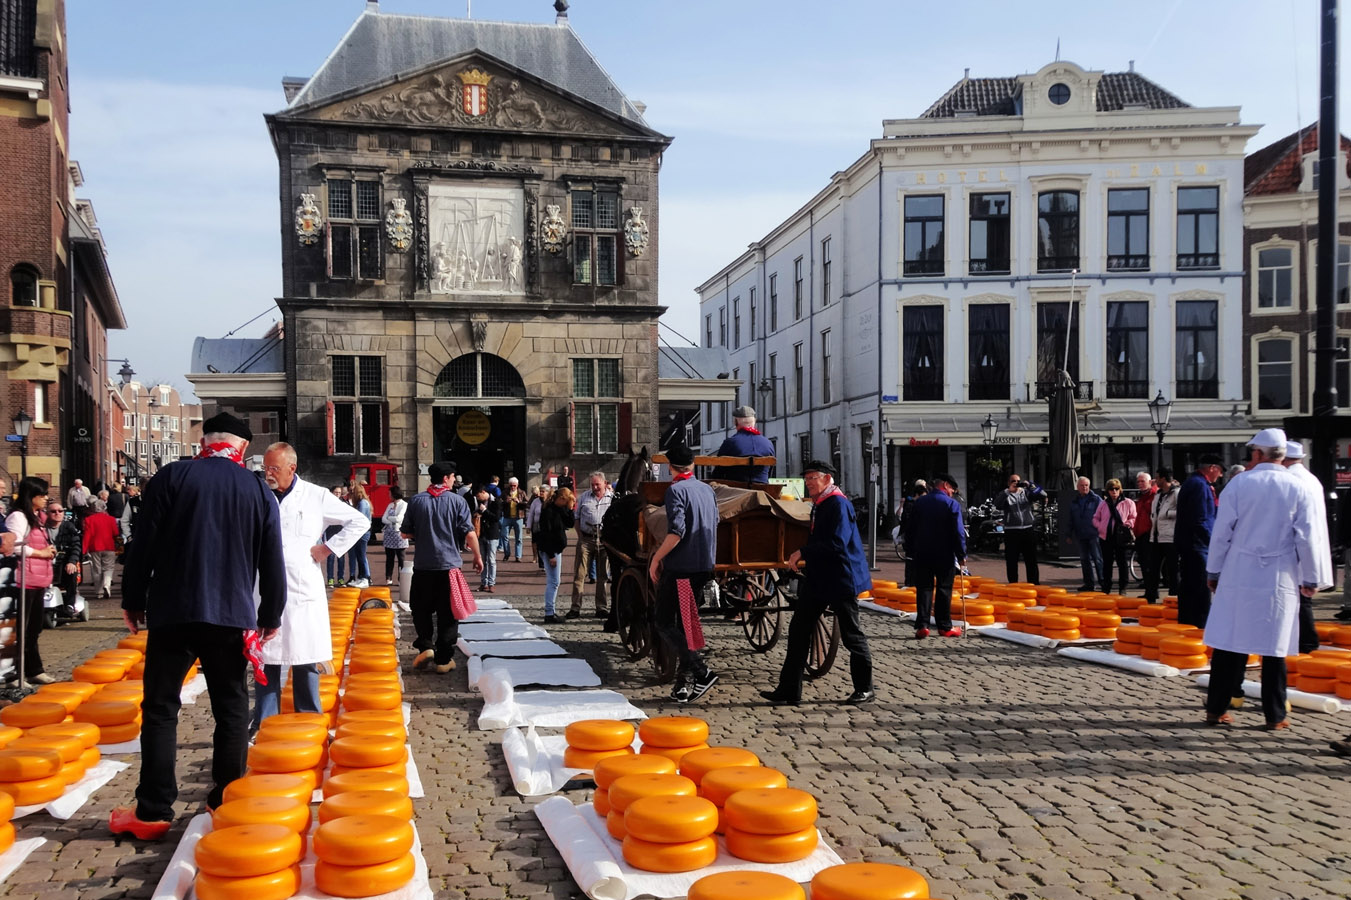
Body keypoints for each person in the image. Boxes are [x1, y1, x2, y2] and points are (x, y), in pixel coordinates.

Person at [110, 412, 286, 840]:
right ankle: (224, 799)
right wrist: (271, 615)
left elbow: (142, 545)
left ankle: (152, 810)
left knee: (160, 708)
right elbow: (271, 560)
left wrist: (133, 600)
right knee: (230, 709)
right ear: (242, 449)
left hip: (174, 610)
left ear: (204, 441)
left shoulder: (171, 477)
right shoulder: (257, 489)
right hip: (231, 615)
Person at [1203, 429, 1323, 730]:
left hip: (1238, 571)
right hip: (1278, 574)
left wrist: (1214, 570)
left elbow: (1222, 533)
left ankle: (1216, 708)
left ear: (1258, 454)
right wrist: (1311, 577)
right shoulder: (1298, 487)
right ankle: (1275, 714)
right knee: (1274, 647)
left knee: (1230, 643)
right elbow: (1307, 537)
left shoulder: (1240, 483)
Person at [253, 442, 369, 729]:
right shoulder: (256, 495)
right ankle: (264, 721)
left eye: (275, 469)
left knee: (304, 655)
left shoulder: (315, 496)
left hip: (302, 585)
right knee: (266, 657)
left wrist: (327, 549)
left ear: (292, 468)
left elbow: (359, 522)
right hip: (264, 584)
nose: (269, 474)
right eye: (266, 468)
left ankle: (309, 719)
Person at [761, 460, 874, 705]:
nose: (808, 483)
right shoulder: (820, 504)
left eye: (813, 478)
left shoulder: (838, 504)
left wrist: (803, 552)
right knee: (799, 629)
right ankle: (789, 689)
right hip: (820, 578)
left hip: (841, 578)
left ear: (827, 479)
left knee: (851, 634)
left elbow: (837, 543)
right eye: (807, 478)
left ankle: (865, 688)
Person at [646, 443, 718, 703]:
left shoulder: (676, 490)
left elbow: (677, 531)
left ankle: (701, 670)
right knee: (686, 624)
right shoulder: (707, 490)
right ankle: (683, 684)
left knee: (664, 621)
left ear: (670, 468)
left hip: (681, 569)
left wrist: (656, 558)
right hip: (703, 566)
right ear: (693, 465)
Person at [401, 463, 483, 673]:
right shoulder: (457, 501)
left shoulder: (416, 501)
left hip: (423, 566)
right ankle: (444, 659)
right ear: (446, 478)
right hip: (448, 566)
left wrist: (424, 531)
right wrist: (477, 556)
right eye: (454, 476)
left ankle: (426, 645)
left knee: (421, 609)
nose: (455, 480)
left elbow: (405, 533)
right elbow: (469, 532)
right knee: (448, 613)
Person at [1281, 441, 1333, 653]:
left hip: (1296, 544)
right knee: (1303, 596)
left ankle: (1307, 641)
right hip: (1311, 542)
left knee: (1300, 597)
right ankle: (1306, 640)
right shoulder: (1310, 478)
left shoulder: (1291, 479)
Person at [5, 476, 57, 684]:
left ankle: (34, 669)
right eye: (41, 495)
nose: (45, 499)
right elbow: (14, 545)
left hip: (38, 579)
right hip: (23, 579)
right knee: (21, 629)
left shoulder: (37, 517)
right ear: (31, 496)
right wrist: (40, 552)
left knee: (34, 628)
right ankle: (15, 673)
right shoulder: (18, 517)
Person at [904, 473, 967, 639]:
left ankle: (922, 625)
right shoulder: (951, 504)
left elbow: (910, 529)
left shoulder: (920, 502)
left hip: (922, 552)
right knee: (944, 589)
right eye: (952, 488)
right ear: (946, 485)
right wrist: (961, 554)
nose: (953, 492)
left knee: (924, 588)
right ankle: (944, 626)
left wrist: (910, 550)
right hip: (944, 553)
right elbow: (958, 532)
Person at [1174, 454, 1224, 627]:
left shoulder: (1194, 483)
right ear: (1211, 468)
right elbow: (1200, 519)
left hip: (1191, 543)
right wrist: (1214, 543)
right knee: (1200, 589)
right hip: (1197, 545)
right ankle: (1200, 625)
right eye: (1219, 470)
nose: (1220, 475)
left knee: (1189, 586)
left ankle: (1187, 623)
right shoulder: (1200, 486)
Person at [568, 471, 612, 619]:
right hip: (586, 539)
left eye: (597, 484)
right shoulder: (584, 497)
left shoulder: (611, 498)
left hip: (604, 541)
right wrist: (580, 537)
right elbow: (576, 518)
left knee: (602, 576)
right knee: (579, 575)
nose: (594, 487)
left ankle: (601, 607)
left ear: (604, 483)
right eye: (592, 484)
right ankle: (575, 607)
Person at [995, 473, 1045, 584]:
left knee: (1031, 560)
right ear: (1009, 483)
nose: (1016, 483)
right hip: (1012, 531)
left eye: (1018, 481)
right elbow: (997, 504)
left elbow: (1043, 494)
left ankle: (1034, 584)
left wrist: (1031, 486)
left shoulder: (1026, 493)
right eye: (1013, 481)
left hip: (1027, 529)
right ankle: (1013, 585)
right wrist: (1008, 491)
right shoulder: (1005, 494)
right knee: (1012, 561)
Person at [536, 487, 574, 623]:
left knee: (554, 581)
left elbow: (570, 523)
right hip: (550, 549)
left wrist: (570, 510)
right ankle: (549, 612)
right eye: (566, 502)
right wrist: (551, 554)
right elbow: (546, 533)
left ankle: (550, 611)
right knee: (553, 581)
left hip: (557, 548)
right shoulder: (548, 511)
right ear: (561, 499)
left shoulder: (560, 509)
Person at [712, 406, 775, 483]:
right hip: (763, 488)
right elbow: (770, 471)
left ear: (735, 422)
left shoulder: (730, 443)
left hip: (736, 490)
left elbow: (719, 472)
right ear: (754, 421)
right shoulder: (768, 443)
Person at [1144, 468, 1179, 602]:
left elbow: (1183, 512)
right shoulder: (1158, 495)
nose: (1155, 480)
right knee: (1152, 568)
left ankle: (1174, 595)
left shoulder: (1176, 493)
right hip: (1156, 535)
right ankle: (1151, 595)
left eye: (1157, 478)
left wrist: (1168, 514)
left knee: (1172, 569)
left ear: (1163, 479)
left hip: (1170, 536)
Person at [1068, 477, 1107, 593]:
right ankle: (1089, 584)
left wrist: (1100, 529)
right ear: (1077, 487)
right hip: (1081, 534)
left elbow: (1103, 516)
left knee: (1098, 559)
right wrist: (1068, 534)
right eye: (1082, 485)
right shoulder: (1074, 501)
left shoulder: (1096, 499)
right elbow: (1071, 519)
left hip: (1094, 534)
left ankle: (1103, 582)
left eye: (1086, 485)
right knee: (1084, 560)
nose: (1084, 487)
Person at [45, 499, 83, 615]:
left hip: (64, 560)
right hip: (47, 560)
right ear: (47, 514)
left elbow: (76, 545)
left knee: (71, 573)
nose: (57, 513)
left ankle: (70, 603)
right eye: (53, 511)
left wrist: (72, 561)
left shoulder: (69, 527)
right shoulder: (43, 528)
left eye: (60, 511)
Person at [1099, 478, 1137, 594]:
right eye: (1111, 489)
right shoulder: (1104, 503)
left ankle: (1123, 587)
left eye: (1116, 489)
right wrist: (1100, 526)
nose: (1114, 491)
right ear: (1108, 491)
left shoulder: (1128, 502)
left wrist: (1127, 524)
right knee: (1107, 562)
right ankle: (1106, 587)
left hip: (1121, 536)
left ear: (1120, 490)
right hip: (1107, 536)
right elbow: (1095, 518)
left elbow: (1134, 517)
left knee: (1122, 562)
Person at [83, 498, 121, 599]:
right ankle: (107, 584)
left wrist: (84, 549)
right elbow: (116, 534)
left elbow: (87, 535)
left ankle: (99, 592)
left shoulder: (89, 520)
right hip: (109, 546)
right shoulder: (111, 519)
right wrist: (120, 547)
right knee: (108, 568)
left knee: (96, 569)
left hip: (95, 547)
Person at [1132, 472, 1156, 596]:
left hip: (1149, 534)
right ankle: (1149, 590)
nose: (1140, 484)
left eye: (1143, 481)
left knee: (1149, 564)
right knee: (1143, 563)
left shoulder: (1154, 495)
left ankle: (1151, 591)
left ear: (1150, 482)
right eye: (1139, 482)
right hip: (1140, 534)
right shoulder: (1141, 497)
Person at [344, 483, 373, 588]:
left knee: (361, 556)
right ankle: (361, 577)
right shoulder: (363, 502)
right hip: (361, 532)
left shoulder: (362, 503)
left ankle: (365, 577)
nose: (351, 494)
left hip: (362, 533)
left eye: (353, 492)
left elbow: (358, 518)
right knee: (359, 555)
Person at [381, 485, 409, 586]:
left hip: (399, 534)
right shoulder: (390, 505)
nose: (389, 495)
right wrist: (391, 518)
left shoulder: (404, 504)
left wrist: (389, 518)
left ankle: (401, 578)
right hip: (389, 534)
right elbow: (383, 519)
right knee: (389, 558)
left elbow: (399, 518)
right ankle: (388, 578)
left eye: (390, 493)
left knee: (401, 558)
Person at [475, 487, 501, 593]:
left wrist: (484, 511)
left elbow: (496, 518)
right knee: (483, 560)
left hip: (492, 535)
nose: (478, 498)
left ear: (483, 492)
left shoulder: (496, 502)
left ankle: (491, 583)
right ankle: (483, 583)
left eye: (478, 495)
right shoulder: (479, 502)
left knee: (491, 560)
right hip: (482, 534)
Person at [325, 484, 349, 587]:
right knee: (330, 557)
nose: (337, 495)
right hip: (330, 532)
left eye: (339, 493)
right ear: (331, 493)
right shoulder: (327, 504)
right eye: (336, 493)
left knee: (341, 557)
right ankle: (330, 579)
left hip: (340, 532)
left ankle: (341, 579)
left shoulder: (344, 503)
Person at [501, 477, 527, 562]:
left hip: (518, 518)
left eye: (514, 486)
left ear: (517, 485)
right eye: (511, 486)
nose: (513, 487)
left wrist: (519, 502)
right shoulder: (505, 492)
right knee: (504, 536)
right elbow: (500, 503)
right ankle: (507, 554)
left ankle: (518, 556)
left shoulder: (521, 493)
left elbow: (527, 504)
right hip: (507, 517)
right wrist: (506, 501)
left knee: (518, 538)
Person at [525, 486, 546, 570]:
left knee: (545, 544)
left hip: (546, 526)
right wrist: (528, 526)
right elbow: (531, 514)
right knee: (539, 545)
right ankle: (542, 564)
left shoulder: (550, 501)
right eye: (540, 491)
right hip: (537, 525)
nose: (541, 493)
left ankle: (546, 563)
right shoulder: (535, 501)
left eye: (543, 491)